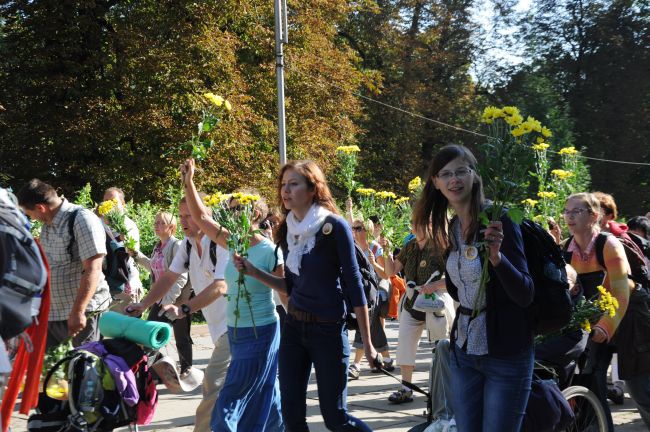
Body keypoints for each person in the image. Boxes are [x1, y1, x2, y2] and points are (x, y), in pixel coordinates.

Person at [232, 160, 378, 431]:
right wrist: (253, 271)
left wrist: (368, 343)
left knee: (335, 418)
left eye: (294, 184)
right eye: (283, 185)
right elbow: (292, 286)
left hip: (329, 331)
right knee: (292, 417)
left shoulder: (334, 227)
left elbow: (355, 283)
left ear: (313, 189)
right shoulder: (287, 228)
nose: (285, 191)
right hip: (294, 329)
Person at [414, 144, 535, 431]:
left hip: (505, 353)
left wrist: (497, 258)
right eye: (446, 174)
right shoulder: (453, 227)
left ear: (474, 176)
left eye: (460, 171)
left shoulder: (499, 219)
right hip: (464, 353)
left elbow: (525, 292)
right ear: (436, 183)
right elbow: (458, 291)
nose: (454, 180)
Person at [178, 158, 284, 431]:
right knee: (268, 395)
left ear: (256, 215)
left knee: (228, 402)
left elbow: (285, 291)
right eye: (230, 209)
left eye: (238, 210)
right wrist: (188, 182)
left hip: (262, 330)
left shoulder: (271, 251)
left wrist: (301, 330)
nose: (231, 214)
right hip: (236, 331)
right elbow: (202, 218)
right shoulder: (231, 242)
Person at [126, 197, 230, 432]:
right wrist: (143, 305)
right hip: (219, 327)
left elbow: (220, 286)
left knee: (212, 383)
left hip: (239, 325)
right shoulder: (188, 244)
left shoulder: (222, 242)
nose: (183, 221)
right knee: (254, 390)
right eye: (181, 216)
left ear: (204, 216)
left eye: (189, 215)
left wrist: (184, 308)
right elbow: (168, 277)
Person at [562, 192, 630, 432]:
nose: (569, 217)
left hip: (611, 321)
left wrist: (604, 326)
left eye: (576, 211)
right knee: (573, 380)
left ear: (593, 216)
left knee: (595, 381)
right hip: (581, 325)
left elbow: (622, 292)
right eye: (566, 211)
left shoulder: (608, 244)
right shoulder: (565, 251)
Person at [17, 179, 111, 349]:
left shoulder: (82, 219)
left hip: (83, 313)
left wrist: (78, 311)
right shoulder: (48, 225)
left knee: (81, 367)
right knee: (52, 370)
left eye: (30, 214)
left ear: (40, 207)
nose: (32, 219)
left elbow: (93, 268)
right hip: (55, 313)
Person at [380, 224, 447, 404]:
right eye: (413, 222)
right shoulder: (410, 246)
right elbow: (390, 272)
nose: (413, 226)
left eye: (418, 222)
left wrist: (434, 286)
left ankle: (441, 389)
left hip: (435, 304)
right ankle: (406, 388)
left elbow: (455, 277)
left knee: (440, 347)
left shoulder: (442, 245)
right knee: (405, 344)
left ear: (429, 224)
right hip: (411, 304)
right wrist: (386, 251)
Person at [131, 211, 193, 376]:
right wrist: (136, 256)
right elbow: (153, 267)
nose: (156, 226)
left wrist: (168, 300)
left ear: (172, 227)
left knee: (181, 337)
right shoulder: (158, 247)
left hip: (175, 300)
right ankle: (153, 372)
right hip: (158, 298)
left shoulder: (177, 246)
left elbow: (180, 276)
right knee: (152, 335)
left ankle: (186, 370)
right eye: (155, 223)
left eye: (161, 223)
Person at [348, 218, 394, 380]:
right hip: (358, 291)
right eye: (353, 228)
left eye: (359, 228)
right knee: (372, 327)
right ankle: (386, 358)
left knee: (366, 325)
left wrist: (373, 263)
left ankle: (356, 364)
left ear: (367, 230)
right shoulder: (351, 246)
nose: (355, 231)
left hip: (373, 293)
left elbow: (385, 274)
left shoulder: (375, 248)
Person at [103, 187, 143, 301]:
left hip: (126, 282)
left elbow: (131, 253)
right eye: (105, 201)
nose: (108, 205)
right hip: (105, 284)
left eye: (113, 201)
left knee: (127, 317)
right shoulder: (98, 223)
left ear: (123, 204)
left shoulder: (128, 225)